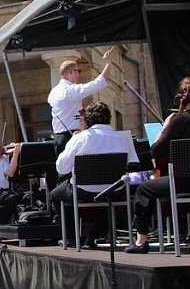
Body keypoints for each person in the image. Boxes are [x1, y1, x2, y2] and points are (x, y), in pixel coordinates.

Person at [129, 77, 190, 253]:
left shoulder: (180, 121)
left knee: (143, 189)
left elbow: (155, 152)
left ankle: (141, 242)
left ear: (181, 97)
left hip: (182, 181)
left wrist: (164, 128)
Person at [50, 102, 136, 248]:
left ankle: (72, 238)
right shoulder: (122, 138)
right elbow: (133, 163)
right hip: (113, 190)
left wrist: (73, 141)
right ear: (108, 118)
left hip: (83, 190)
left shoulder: (80, 138)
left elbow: (61, 168)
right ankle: (93, 235)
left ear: (87, 120)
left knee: (55, 195)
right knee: (108, 198)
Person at [48, 48, 113, 155]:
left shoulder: (53, 92)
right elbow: (99, 83)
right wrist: (108, 63)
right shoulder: (71, 91)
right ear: (71, 72)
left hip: (58, 138)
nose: (79, 74)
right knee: (78, 168)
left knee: (64, 170)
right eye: (78, 71)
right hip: (72, 135)